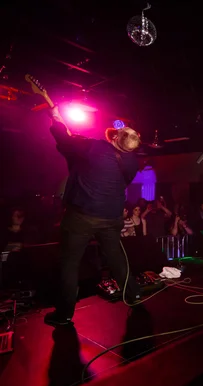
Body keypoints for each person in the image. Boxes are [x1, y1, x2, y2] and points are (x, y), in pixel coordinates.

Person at [44, 106, 142, 326]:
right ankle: (133, 294)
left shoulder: (95, 147)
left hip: (82, 216)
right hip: (111, 217)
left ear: (117, 137)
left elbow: (64, 139)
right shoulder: (133, 162)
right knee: (116, 257)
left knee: (70, 263)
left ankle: (65, 313)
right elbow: (121, 182)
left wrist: (56, 119)